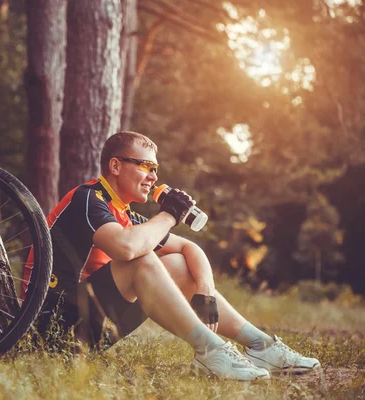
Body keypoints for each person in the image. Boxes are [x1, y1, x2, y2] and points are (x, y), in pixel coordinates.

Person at [36, 131, 320, 381]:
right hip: (51, 331)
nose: (154, 177)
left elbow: (190, 249)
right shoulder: (88, 198)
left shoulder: (124, 214)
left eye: (155, 169)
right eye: (146, 166)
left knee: (175, 263)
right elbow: (127, 249)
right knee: (143, 259)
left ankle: (261, 346)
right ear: (115, 165)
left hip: (88, 327)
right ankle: (211, 351)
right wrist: (169, 215)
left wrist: (206, 294)